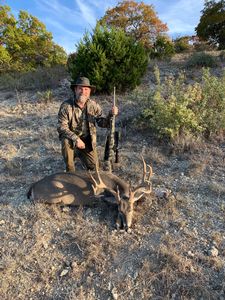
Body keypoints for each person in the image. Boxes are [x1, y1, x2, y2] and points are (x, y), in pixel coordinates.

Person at [57, 76, 118, 172]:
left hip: (87, 141)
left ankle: (79, 153)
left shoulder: (93, 105)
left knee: (95, 168)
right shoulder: (66, 106)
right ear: (75, 90)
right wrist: (76, 139)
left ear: (89, 92)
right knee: (65, 140)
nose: (83, 91)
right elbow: (61, 127)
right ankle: (70, 172)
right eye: (80, 88)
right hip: (71, 139)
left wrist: (110, 114)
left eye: (86, 89)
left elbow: (102, 123)